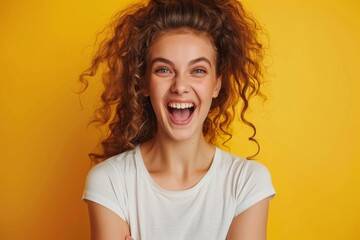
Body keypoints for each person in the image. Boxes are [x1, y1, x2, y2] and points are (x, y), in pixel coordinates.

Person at [80, 0, 276, 239]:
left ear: (216, 84)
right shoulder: (110, 182)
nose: (180, 86)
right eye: (164, 69)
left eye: (198, 70)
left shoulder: (247, 182)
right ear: (144, 83)